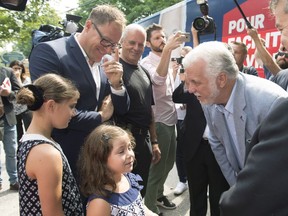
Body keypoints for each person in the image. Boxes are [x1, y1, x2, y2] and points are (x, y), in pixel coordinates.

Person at [29, 4, 130, 177]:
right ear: (89, 26)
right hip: (67, 157)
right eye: (105, 41)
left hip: (100, 159)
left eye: (114, 45)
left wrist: (116, 85)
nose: (108, 49)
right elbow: (53, 111)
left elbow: (121, 109)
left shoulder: (104, 62)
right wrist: (100, 116)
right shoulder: (50, 52)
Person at [182, 41, 288, 186]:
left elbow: (280, 166)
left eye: (196, 82)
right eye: (189, 82)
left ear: (221, 79)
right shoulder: (209, 98)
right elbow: (216, 141)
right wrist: (236, 185)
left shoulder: (272, 103)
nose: (190, 89)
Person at [17, 73, 83, 215]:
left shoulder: (29, 140)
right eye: (71, 106)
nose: (73, 113)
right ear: (51, 105)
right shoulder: (46, 153)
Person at [140, 23, 187, 215]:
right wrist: (168, 49)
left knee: (168, 165)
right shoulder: (147, 63)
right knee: (157, 170)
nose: (162, 40)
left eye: (163, 37)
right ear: (148, 43)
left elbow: (167, 90)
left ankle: (158, 195)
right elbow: (158, 80)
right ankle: (149, 208)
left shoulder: (166, 59)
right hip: (157, 122)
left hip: (171, 119)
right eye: (157, 38)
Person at [114, 23, 161, 197]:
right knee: (123, 196)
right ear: (122, 42)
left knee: (140, 193)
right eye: (132, 43)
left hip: (144, 143)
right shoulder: (114, 71)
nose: (136, 48)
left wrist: (154, 142)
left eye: (141, 44)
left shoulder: (144, 72)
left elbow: (149, 110)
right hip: (123, 145)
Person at [77, 124, 157, 216]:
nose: (130, 154)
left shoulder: (130, 179)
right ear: (101, 158)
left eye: (129, 147)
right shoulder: (100, 203)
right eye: (121, 151)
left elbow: (141, 208)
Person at [171, 46, 192, 196]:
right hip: (179, 116)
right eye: (181, 57)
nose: (182, 60)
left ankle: (196, 179)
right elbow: (171, 94)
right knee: (181, 150)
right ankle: (182, 180)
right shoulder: (175, 71)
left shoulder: (195, 70)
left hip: (193, 117)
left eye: (186, 57)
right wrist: (175, 73)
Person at [0, 66, 21, 191]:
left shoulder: (8, 72)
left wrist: (8, 93)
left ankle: (14, 180)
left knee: (11, 151)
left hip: (7, 118)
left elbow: (20, 94)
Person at [9, 60, 32, 142]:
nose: (17, 71)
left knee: (29, 131)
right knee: (18, 134)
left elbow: (23, 93)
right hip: (14, 110)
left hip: (25, 108)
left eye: (19, 69)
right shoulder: (7, 80)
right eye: (15, 69)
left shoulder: (26, 80)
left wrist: (18, 79)